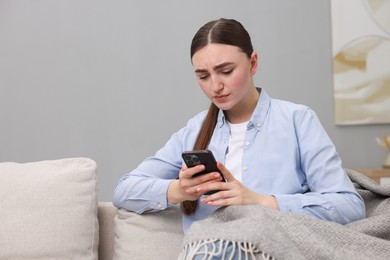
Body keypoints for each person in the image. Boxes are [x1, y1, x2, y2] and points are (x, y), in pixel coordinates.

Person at [113, 18, 365, 236]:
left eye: (226, 71)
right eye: (203, 76)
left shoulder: (297, 120)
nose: (215, 86)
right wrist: (178, 190)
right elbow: (125, 189)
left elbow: (349, 205)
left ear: (253, 63)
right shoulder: (194, 130)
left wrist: (262, 202)